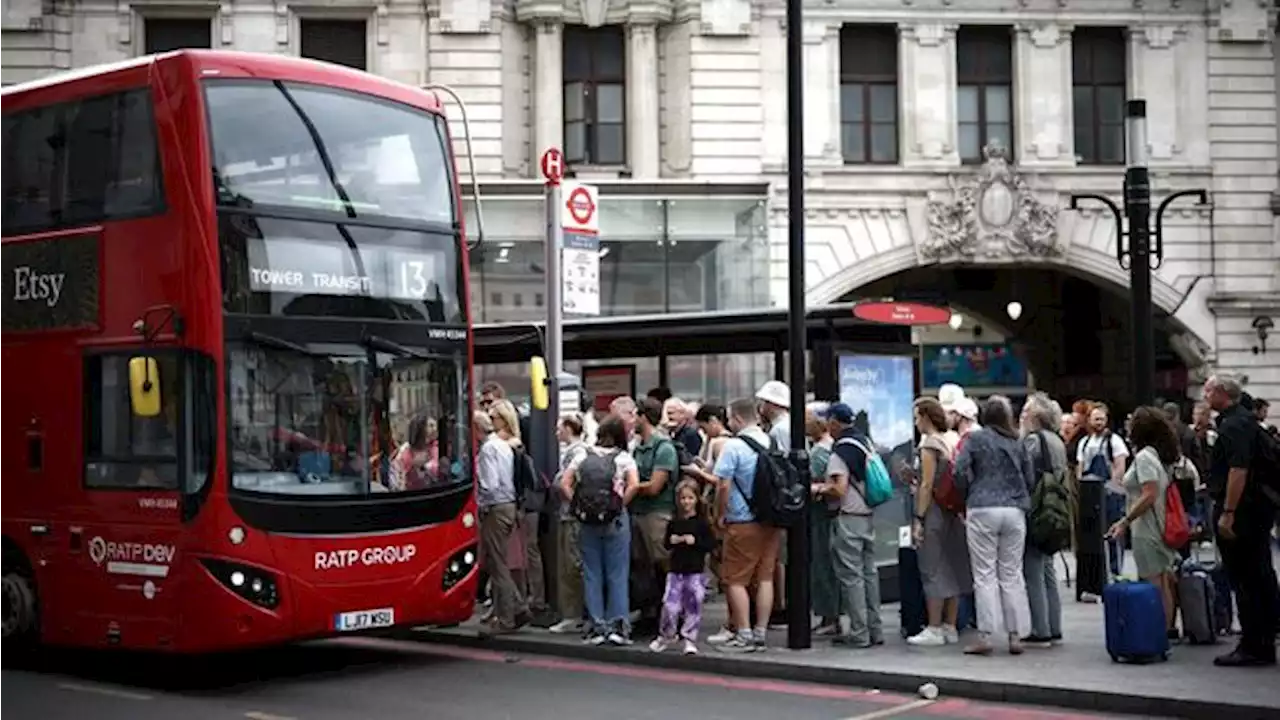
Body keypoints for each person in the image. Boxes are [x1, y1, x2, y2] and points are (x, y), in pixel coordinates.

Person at [1202, 375, 1278, 667]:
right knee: (1260, 572)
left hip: (1243, 512)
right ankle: (1265, 638)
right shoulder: (1246, 421)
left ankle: (1253, 644)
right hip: (1258, 508)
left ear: (1223, 393)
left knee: (1244, 576)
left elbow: (1238, 470)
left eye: (1209, 391)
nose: (1206, 396)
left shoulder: (1233, 425)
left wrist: (1228, 512)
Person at [953, 395, 1034, 656]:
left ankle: (985, 636)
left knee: (985, 574)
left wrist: (969, 490)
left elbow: (959, 471)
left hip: (982, 508)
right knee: (1012, 573)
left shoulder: (976, 439)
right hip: (1014, 510)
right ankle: (1015, 636)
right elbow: (1030, 476)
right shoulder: (1017, 441)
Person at [559, 414, 641, 646]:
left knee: (592, 573)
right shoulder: (624, 458)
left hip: (587, 521)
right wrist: (619, 505)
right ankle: (618, 626)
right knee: (617, 572)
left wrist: (577, 505)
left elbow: (564, 483)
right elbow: (634, 484)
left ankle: (597, 625)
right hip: (615, 521)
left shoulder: (583, 455)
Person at [1106, 406, 1183, 639]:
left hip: (1147, 526)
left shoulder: (1144, 458)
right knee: (1163, 577)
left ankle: (1157, 630)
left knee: (1154, 581)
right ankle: (1166, 628)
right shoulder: (1156, 455)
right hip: (1157, 523)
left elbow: (1149, 494)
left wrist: (1125, 520)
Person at [816, 402, 885, 649]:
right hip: (867, 516)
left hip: (847, 518)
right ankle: (875, 630)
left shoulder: (840, 451)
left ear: (834, 421)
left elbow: (839, 488)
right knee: (869, 574)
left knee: (851, 577)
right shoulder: (864, 442)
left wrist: (818, 488)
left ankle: (858, 632)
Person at [906, 397, 971, 647]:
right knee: (954, 566)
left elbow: (926, 484)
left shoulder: (929, 445)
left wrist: (919, 519)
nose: (915, 423)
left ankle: (933, 627)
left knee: (932, 567)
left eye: (916, 417)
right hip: (953, 511)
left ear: (925, 417)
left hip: (934, 512)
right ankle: (950, 626)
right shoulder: (952, 440)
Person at [1019, 393, 1067, 647]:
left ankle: (1040, 628)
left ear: (1036, 416)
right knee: (1048, 569)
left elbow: (1025, 476)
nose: (1022, 415)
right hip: (1055, 508)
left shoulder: (1033, 442)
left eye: (1026, 411)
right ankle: (1054, 625)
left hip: (1037, 508)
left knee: (1033, 570)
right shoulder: (1056, 440)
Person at [650, 481, 715, 655]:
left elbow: (710, 544)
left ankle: (690, 638)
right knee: (670, 606)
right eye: (683, 498)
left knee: (693, 606)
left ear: (697, 499)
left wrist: (696, 541)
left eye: (690, 498)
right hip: (675, 570)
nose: (686, 502)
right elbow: (666, 543)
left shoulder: (702, 523)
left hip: (695, 571)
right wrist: (672, 541)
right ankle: (666, 635)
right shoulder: (674, 522)